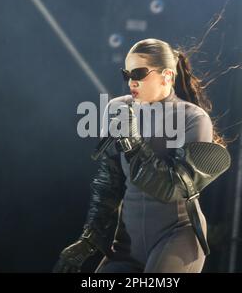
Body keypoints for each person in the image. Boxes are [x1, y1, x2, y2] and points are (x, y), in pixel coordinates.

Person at [54, 38, 231, 273]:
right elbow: (110, 183)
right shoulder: (118, 108)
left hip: (177, 238)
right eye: (126, 73)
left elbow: (171, 188)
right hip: (126, 244)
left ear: (167, 76)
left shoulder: (194, 118)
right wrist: (89, 240)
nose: (131, 81)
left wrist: (132, 142)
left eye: (138, 72)